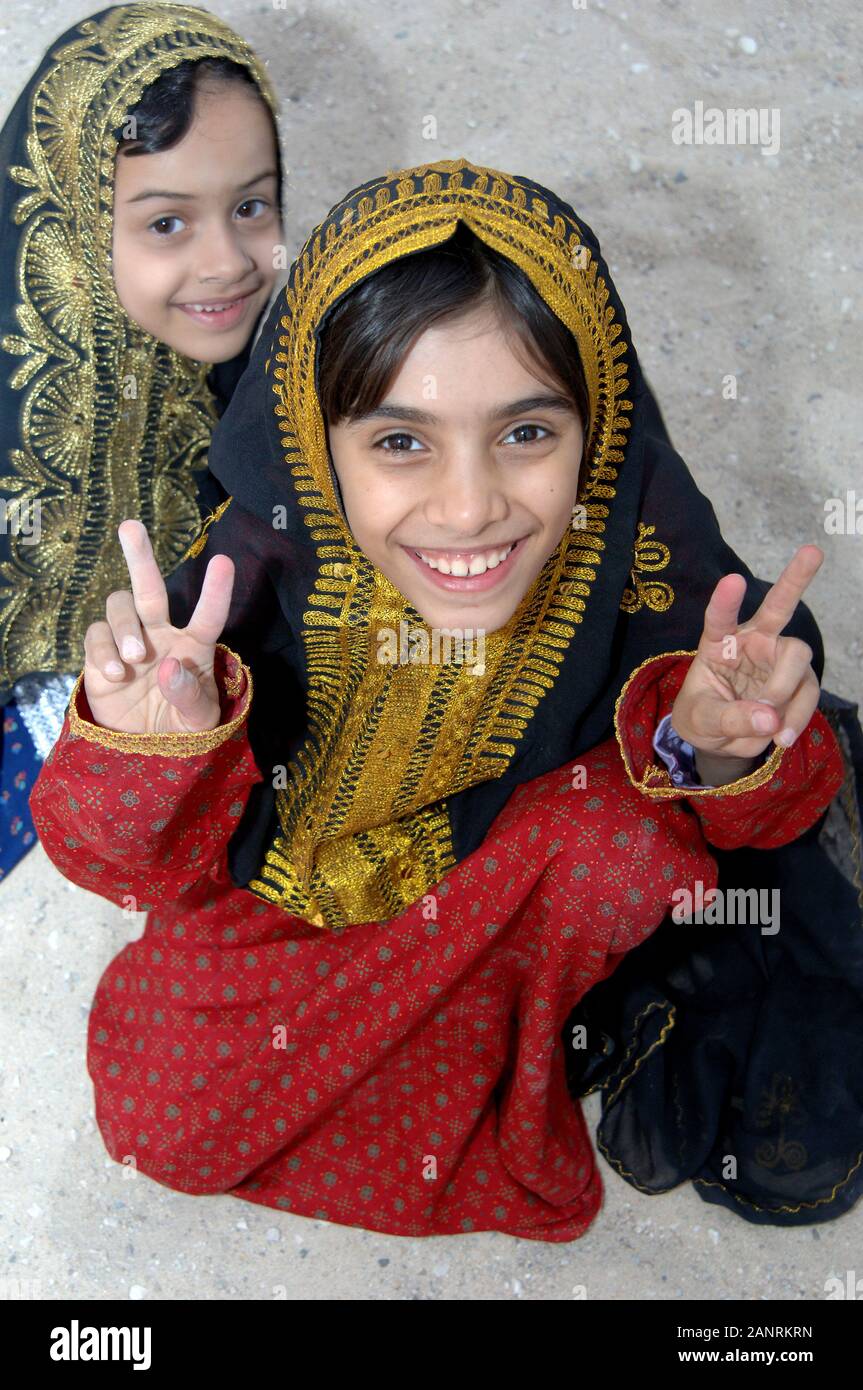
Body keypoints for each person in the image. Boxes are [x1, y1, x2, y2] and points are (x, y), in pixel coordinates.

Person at [29, 158, 861, 1241]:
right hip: (295, 903)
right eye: (398, 441)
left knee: (631, 846)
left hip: (504, 906)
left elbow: (762, 812)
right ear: (312, 443)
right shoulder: (246, 587)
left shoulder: (645, 569)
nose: (468, 510)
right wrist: (158, 753)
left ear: (595, 430)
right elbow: (123, 866)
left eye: (525, 433)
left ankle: (524, 1015)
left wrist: (704, 744)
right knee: (167, 1120)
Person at [0, 2, 283, 881]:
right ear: (75, 225)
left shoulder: (256, 383)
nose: (228, 261)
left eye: (252, 206)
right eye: (167, 222)